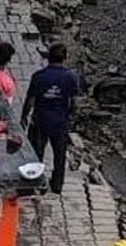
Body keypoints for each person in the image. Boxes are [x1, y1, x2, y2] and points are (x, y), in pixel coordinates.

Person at [21, 43, 88, 194]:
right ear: (64, 58)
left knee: (36, 154)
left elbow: (30, 100)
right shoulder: (71, 77)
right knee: (59, 155)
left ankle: (33, 184)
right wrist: (69, 116)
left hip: (40, 120)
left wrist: (24, 117)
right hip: (60, 121)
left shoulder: (38, 76)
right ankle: (57, 185)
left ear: (48, 57)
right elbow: (75, 103)